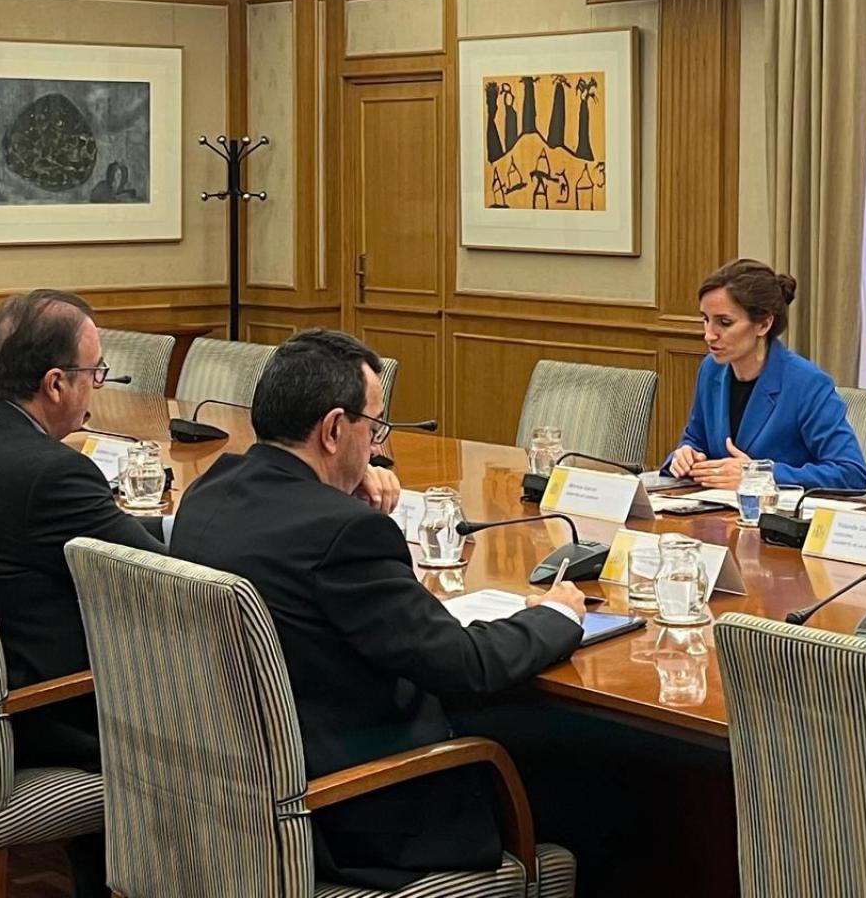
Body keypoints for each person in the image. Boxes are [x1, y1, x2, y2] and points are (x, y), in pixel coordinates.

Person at [170, 329, 585, 891]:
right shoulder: (344, 533)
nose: (378, 444)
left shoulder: (209, 491)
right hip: (351, 810)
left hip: (230, 799)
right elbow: (466, 664)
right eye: (375, 427)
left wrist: (336, 483)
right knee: (595, 764)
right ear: (335, 429)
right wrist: (556, 614)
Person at [0, 289, 164, 898]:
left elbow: (96, 536)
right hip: (42, 711)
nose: (96, 388)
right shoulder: (52, 472)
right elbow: (160, 578)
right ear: (54, 383)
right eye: (94, 374)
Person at [666, 259, 866, 490]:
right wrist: (686, 455)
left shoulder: (806, 383)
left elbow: (852, 473)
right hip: (714, 515)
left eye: (724, 322)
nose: (709, 335)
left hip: (778, 519)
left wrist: (760, 475)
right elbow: (696, 439)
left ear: (763, 324)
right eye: (706, 320)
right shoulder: (711, 369)